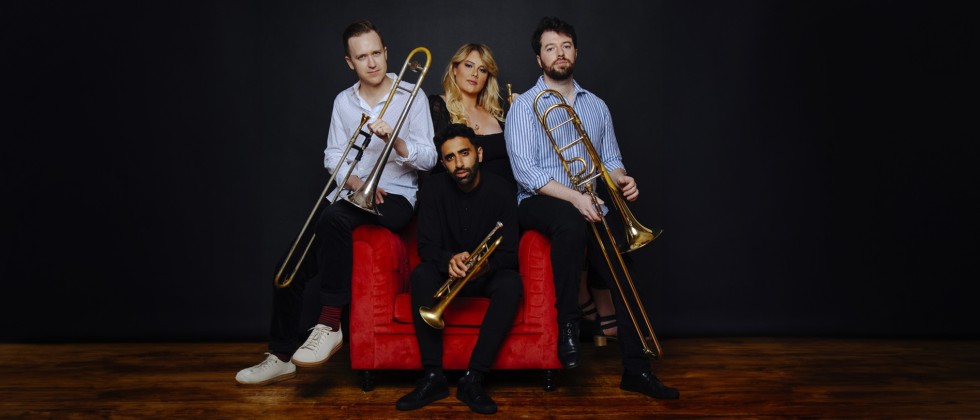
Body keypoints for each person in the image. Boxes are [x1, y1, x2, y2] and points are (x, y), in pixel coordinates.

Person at [236, 19, 436, 386]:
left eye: (377, 53)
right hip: (351, 195)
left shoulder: (412, 95)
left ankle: (329, 323)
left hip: (397, 199)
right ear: (349, 62)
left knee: (334, 217)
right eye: (363, 57)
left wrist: (397, 142)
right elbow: (333, 155)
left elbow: (429, 158)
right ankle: (279, 356)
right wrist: (355, 180)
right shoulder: (343, 102)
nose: (372, 62)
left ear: (387, 52)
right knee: (289, 267)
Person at [504, 17, 679, 399]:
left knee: (624, 272)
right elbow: (526, 173)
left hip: (590, 203)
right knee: (569, 220)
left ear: (576, 52)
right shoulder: (526, 106)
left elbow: (610, 159)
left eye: (566, 45)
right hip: (540, 201)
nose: (559, 53)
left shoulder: (596, 106)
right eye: (550, 48)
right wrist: (576, 198)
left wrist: (622, 179)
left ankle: (637, 368)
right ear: (539, 59)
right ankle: (568, 322)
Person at [396, 124, 521, 414]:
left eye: (464, 153)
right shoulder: (434, 189)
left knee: (511, 283)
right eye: (450, 158)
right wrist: (449, 259)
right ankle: (432, 376)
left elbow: (511, 252)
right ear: (443, 163)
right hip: (448, 273)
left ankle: (474, 378)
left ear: (478, 153)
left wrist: (486, 264)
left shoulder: (502, 190)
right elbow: (426, 248)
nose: (458, 163)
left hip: (486, 275)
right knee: (421, 275)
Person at [428, 43, 515, 187]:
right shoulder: (437, 106)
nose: (475, 73)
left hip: (503, 199)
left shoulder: (497, 114)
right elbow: (427, 160)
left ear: (487, 77)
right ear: (455, 69)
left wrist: (522, 108)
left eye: (482, 70)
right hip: (457, 199)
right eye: (469, 65)